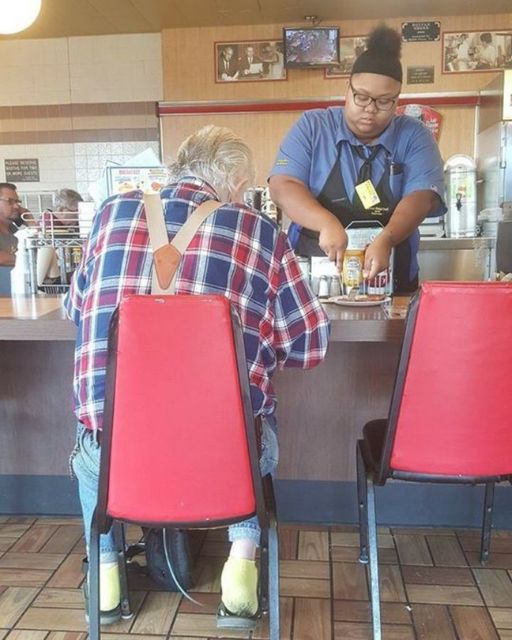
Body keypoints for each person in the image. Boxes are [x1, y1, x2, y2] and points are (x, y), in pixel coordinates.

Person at [64, 125, 329, 626]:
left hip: (116, 457)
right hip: (226, 460)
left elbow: (75, 309)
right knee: (250, 416)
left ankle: (105, 575)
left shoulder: (109, 214)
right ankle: (241, 567)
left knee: (92, 433)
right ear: (235, 181)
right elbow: (309, 345)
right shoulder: (259, 231)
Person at [269, 24, 446, 293]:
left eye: (383, 101)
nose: (370, 109)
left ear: (397, 99)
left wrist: (387, 238)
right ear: (347, 89)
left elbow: (422, 197)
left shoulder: (415, 135)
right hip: (316, 275)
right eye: (361, 97)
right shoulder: (313, 127)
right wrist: (325, 222)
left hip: (390, 271)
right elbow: (282, 185)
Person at [0, 182, 22, 268]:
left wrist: (30, 221)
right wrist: (30, 259)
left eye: (17, 202)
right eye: (10, 201)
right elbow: (1, 258)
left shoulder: (13, 230)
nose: (17, 206)